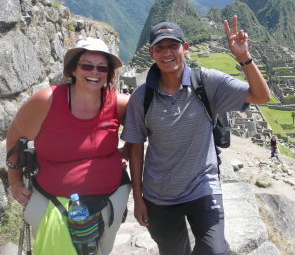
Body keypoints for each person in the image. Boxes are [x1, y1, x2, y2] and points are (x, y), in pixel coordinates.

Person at [121, 16, 270, 255]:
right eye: (160, 47)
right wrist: (138, 199)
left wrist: (243, 57)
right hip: (159, 195)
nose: (167, 53)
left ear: (185, 48)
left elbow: (261, 97)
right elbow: (136, 148)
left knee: (215, 251)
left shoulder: (207, 83)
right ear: (151, 53)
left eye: (173, 46)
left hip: (203, 188)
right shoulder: (141, 98)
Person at [6, 37, 131, 255]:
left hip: (108, 199)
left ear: (108, 73)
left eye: (102, 67)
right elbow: (16, 137)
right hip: (52, 199)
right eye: (87, 66)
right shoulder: (47, 101)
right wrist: (15, 182)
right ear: (73, 69)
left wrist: (125, 152)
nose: (95, 72)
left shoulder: (118, 104)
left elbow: (140, 132)